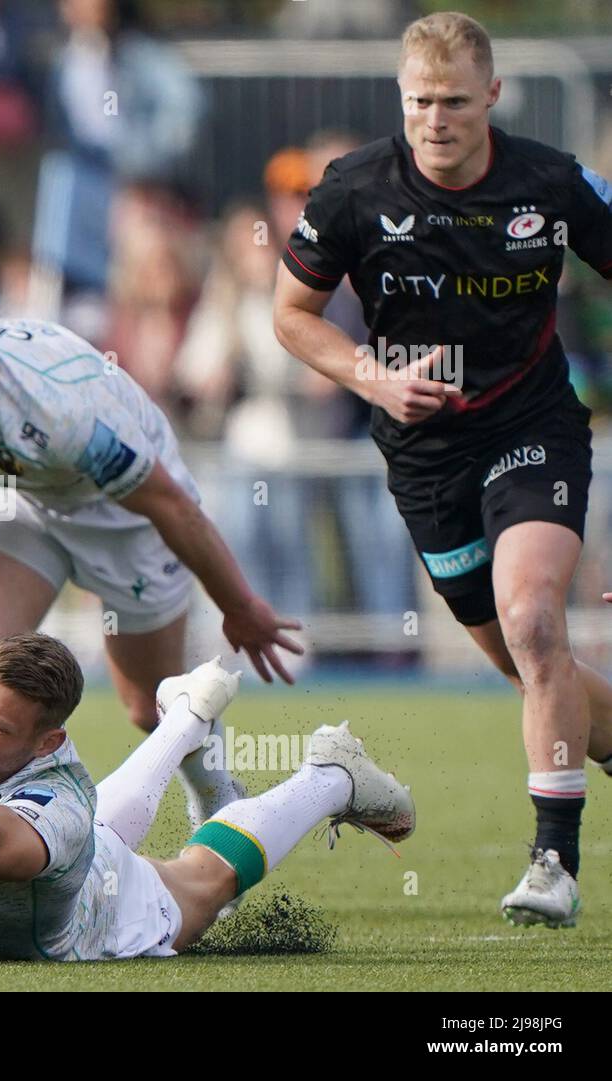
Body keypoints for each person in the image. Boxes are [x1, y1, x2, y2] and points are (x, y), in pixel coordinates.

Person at [272, 11, 612, 928]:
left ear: (492, 97)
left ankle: (553, 865)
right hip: (425, 462)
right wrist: (371, 378)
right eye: (420, 100)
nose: (436, 118)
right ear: (401, 97)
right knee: (533, 666)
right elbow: (291, 315)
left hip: (533, 426)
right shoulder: (351, 190)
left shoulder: (551, 181)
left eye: (456, 101)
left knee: (535, 620)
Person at [0, 268, 301, 830]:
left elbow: (170, 505)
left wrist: (239, 606)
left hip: (124, 515)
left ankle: (220, 798)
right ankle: (9, 832)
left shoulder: (55, 406)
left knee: (150, 709)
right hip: (18, 501)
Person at [0, 634, 414, 961]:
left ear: (47, 742)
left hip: (96, 915)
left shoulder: (59, 800)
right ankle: (186, 715)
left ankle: (330, 775)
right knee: (108, 834)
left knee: (205, 883)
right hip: (70, 859)